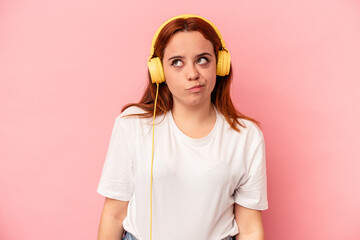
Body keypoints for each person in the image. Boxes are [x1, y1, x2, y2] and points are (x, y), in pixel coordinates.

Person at [97, 14, 268, 240]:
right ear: (159, 71)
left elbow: (250, 228)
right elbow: (114, 215)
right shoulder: (132, 125)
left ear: (220, 64)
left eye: (202, 59)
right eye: (177, 62)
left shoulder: (246, 136)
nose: (192, 74)